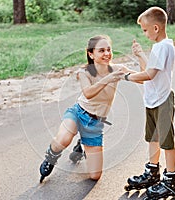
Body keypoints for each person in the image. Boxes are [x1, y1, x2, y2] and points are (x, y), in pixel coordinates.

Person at [39, 35, 130, 183]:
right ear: (91, 54)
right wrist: (108, 78)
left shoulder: (118, 69)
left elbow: (142, 77)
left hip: (95, 123)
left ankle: (82, 144)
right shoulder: (84, 72)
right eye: (101, 50)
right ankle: (51, 157)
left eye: (108, 49)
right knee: (63, 139)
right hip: (78, 113)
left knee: (95, 176)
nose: (107, 53)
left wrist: (140, 57)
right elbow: (88, 93)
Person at [122, 7, 175, 199]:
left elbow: (148, 75)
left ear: (156, 28)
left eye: (145, 30)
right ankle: (152, 172)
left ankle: (170, 180)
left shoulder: (162, 47)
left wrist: (127, 76)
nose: (144, 34)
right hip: (153, 100)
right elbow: (151, 72)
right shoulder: (161, 47)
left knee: (166, 142)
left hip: (162, 101)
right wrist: (140, 56)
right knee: (153, 139)